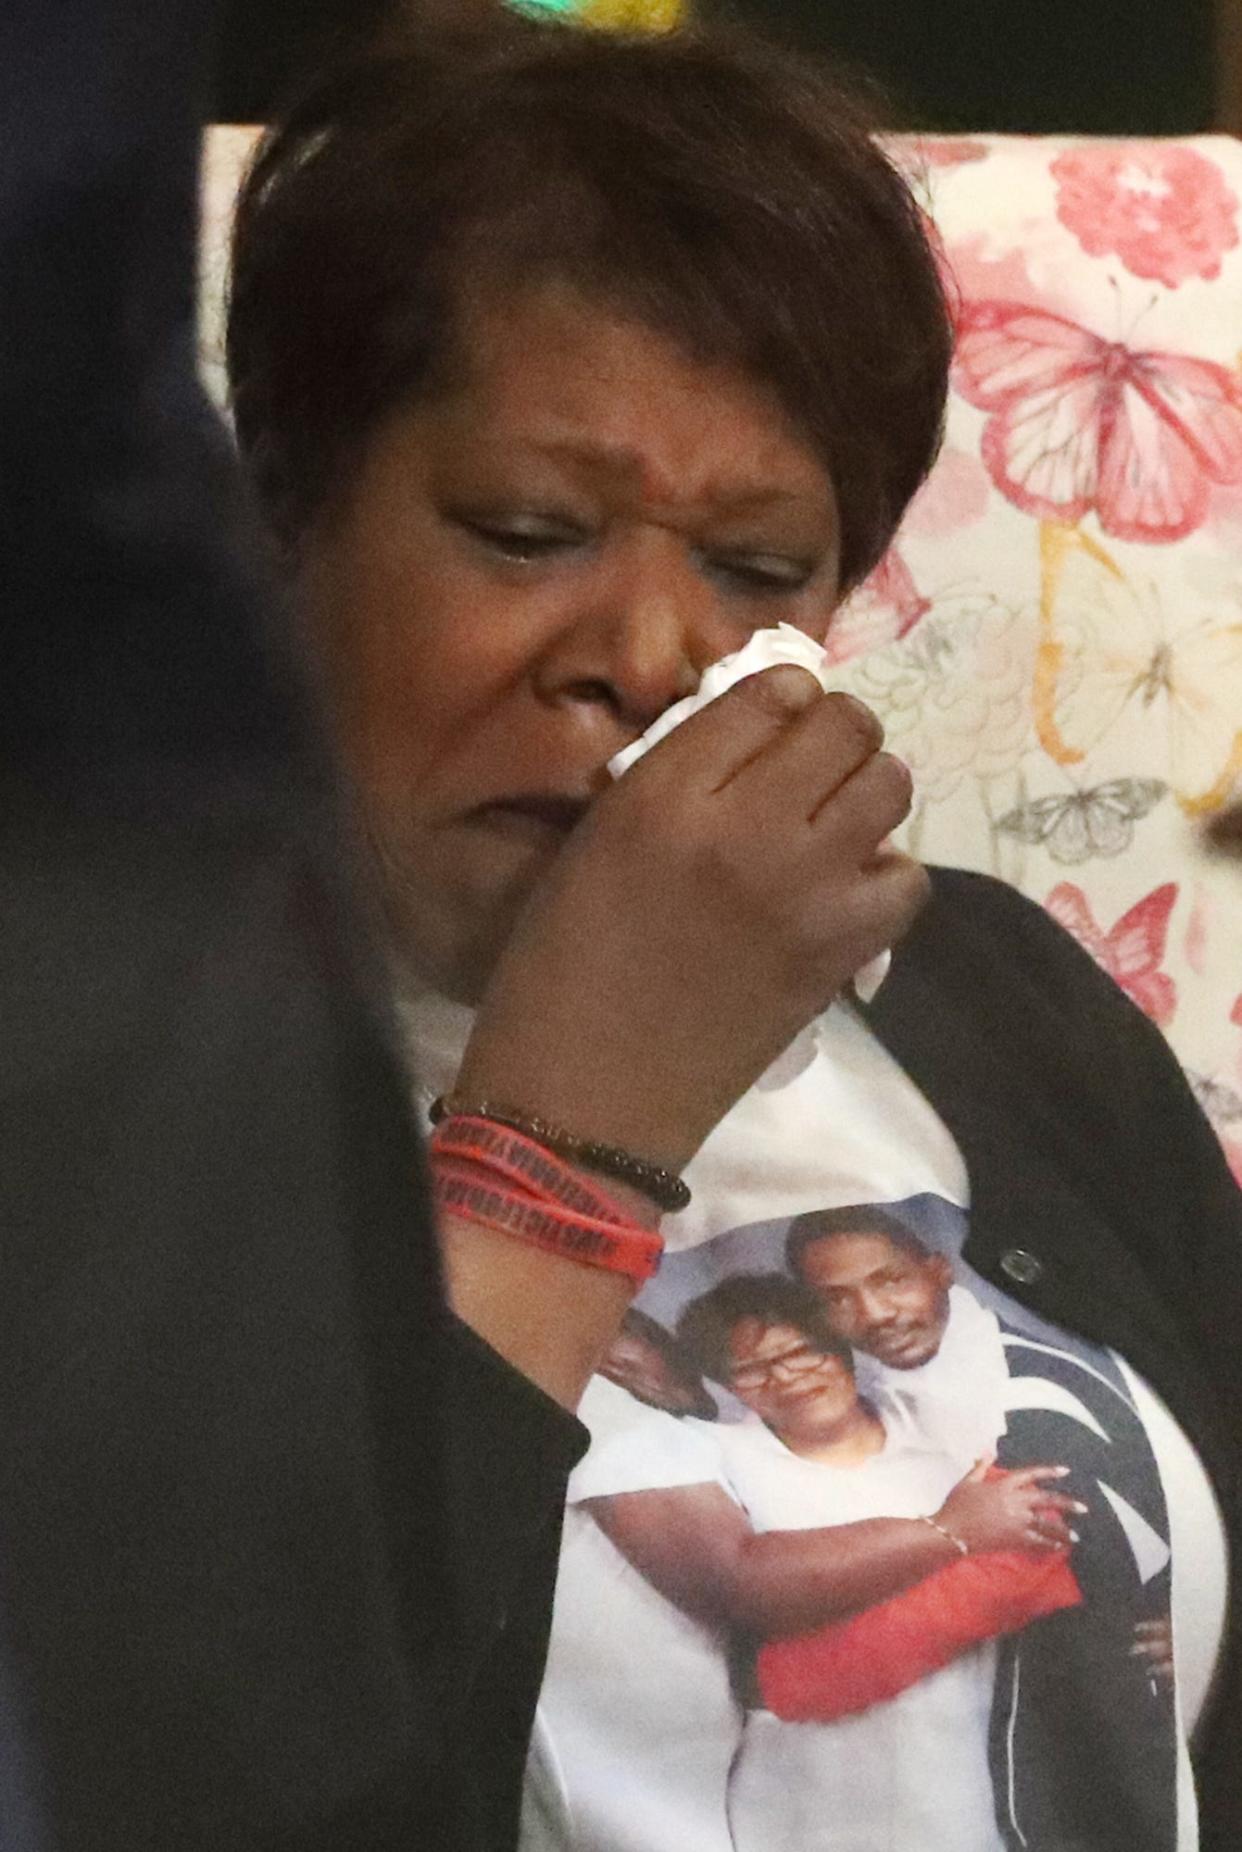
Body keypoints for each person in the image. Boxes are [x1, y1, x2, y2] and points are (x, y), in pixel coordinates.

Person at [223, 14, 1240, 1852]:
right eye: (528, 529)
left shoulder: (987, 989)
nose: (651, 654)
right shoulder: (106, 1081)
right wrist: (561, 1135)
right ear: (288, 523)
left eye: (759, 568)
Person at [674, 1272, 1060, 1852]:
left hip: (962, 1778)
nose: (787, 1378)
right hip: (803, 1789)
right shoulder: (718, 1463)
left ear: (841, 1348)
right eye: (752, 1370)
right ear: (728, 1386)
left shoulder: (944, 1442)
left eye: (801, 1351)